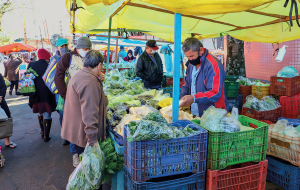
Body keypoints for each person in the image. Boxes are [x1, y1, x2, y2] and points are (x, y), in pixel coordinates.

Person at [61, 50, 107, 168]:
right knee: (89, 170)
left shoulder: (81, 75)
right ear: (99, 65)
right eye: (102, 65)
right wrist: (92, 140)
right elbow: (90, 113)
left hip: (77, 128)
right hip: (83, 134)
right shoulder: (90, 82)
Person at [179, 37, 229, 117]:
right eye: (187, 57)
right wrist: (180, 99)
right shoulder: (191, 65)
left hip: (215, 114)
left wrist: (194, 98)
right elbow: (187, 84)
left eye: (192, 56)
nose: (190, 59)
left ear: (201, 50)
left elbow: (215, 93)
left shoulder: (213, 65)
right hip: (195, 112)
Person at [28, 49, 57, 143]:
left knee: (40, 112)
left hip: (35, 94)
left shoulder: (31, 64)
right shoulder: (49, 65)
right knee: (47, 113)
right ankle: (46, 136)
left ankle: (42, 132)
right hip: (47, 94)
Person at [51, 38, 70, 145]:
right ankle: (65, 136)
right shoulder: (54, 59)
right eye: (61, 46)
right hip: (60, 91)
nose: (63, 48)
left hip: (71, 88)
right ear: (57, 48)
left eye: (65, 45)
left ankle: (72, 134)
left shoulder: (71, 56)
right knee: (62, 114)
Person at [0, 73, 17, 148]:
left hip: (0, 101)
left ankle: (7, 141)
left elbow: (3, 86)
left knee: (6, 118)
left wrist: (0, 96)